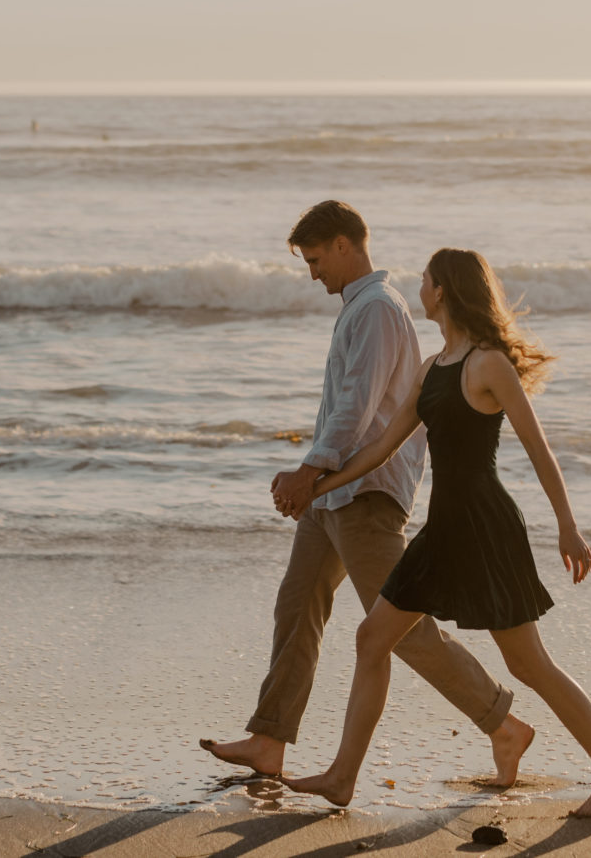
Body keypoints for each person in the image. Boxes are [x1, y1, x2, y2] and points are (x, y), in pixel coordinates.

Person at [282, 247, 591, 818]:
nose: (418, 287)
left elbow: (539, 450)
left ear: (442, 290)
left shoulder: (488, 364)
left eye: (424, 279)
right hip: (442, 531)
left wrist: (568, 528)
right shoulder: (433, 368)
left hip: (485, 530)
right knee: (373, 639)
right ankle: (343, 778)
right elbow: (379, 448)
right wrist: (315, 489)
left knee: (529, 664)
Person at [200, 203, 536, 786]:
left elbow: (357, 408)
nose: (312, 274)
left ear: (342, 245)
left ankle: (502, 722)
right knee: (297, 608)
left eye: (314, 260)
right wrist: (316, 483)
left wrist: (310, 470)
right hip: (333, 495)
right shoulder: (361, 308)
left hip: (366, 495)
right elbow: (347, 406)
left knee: (402, 632)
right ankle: (268, 741)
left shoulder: (378, 310)